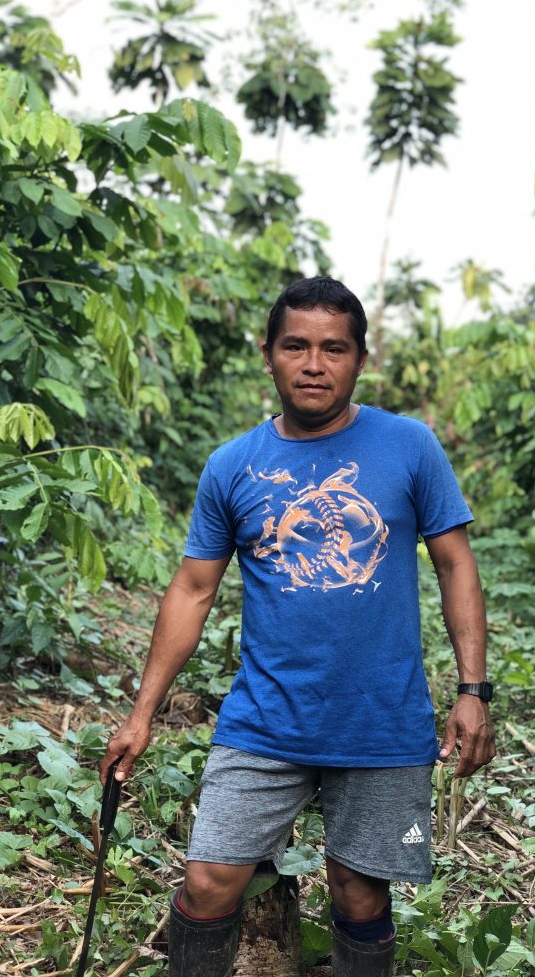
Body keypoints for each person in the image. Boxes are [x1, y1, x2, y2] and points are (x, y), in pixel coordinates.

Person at [101, 276, 496, 976]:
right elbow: (193, 590)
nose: (315, 364)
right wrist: (141, 713)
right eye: (297, 346)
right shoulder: (233, 466)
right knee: (207, 882)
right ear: (269, 354)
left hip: (381, 718)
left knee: (360, 891)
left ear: (361, 359)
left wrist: (474, 690)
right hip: (266, 718)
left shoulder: (409, 447)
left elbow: (455, 566)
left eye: (334, 349)